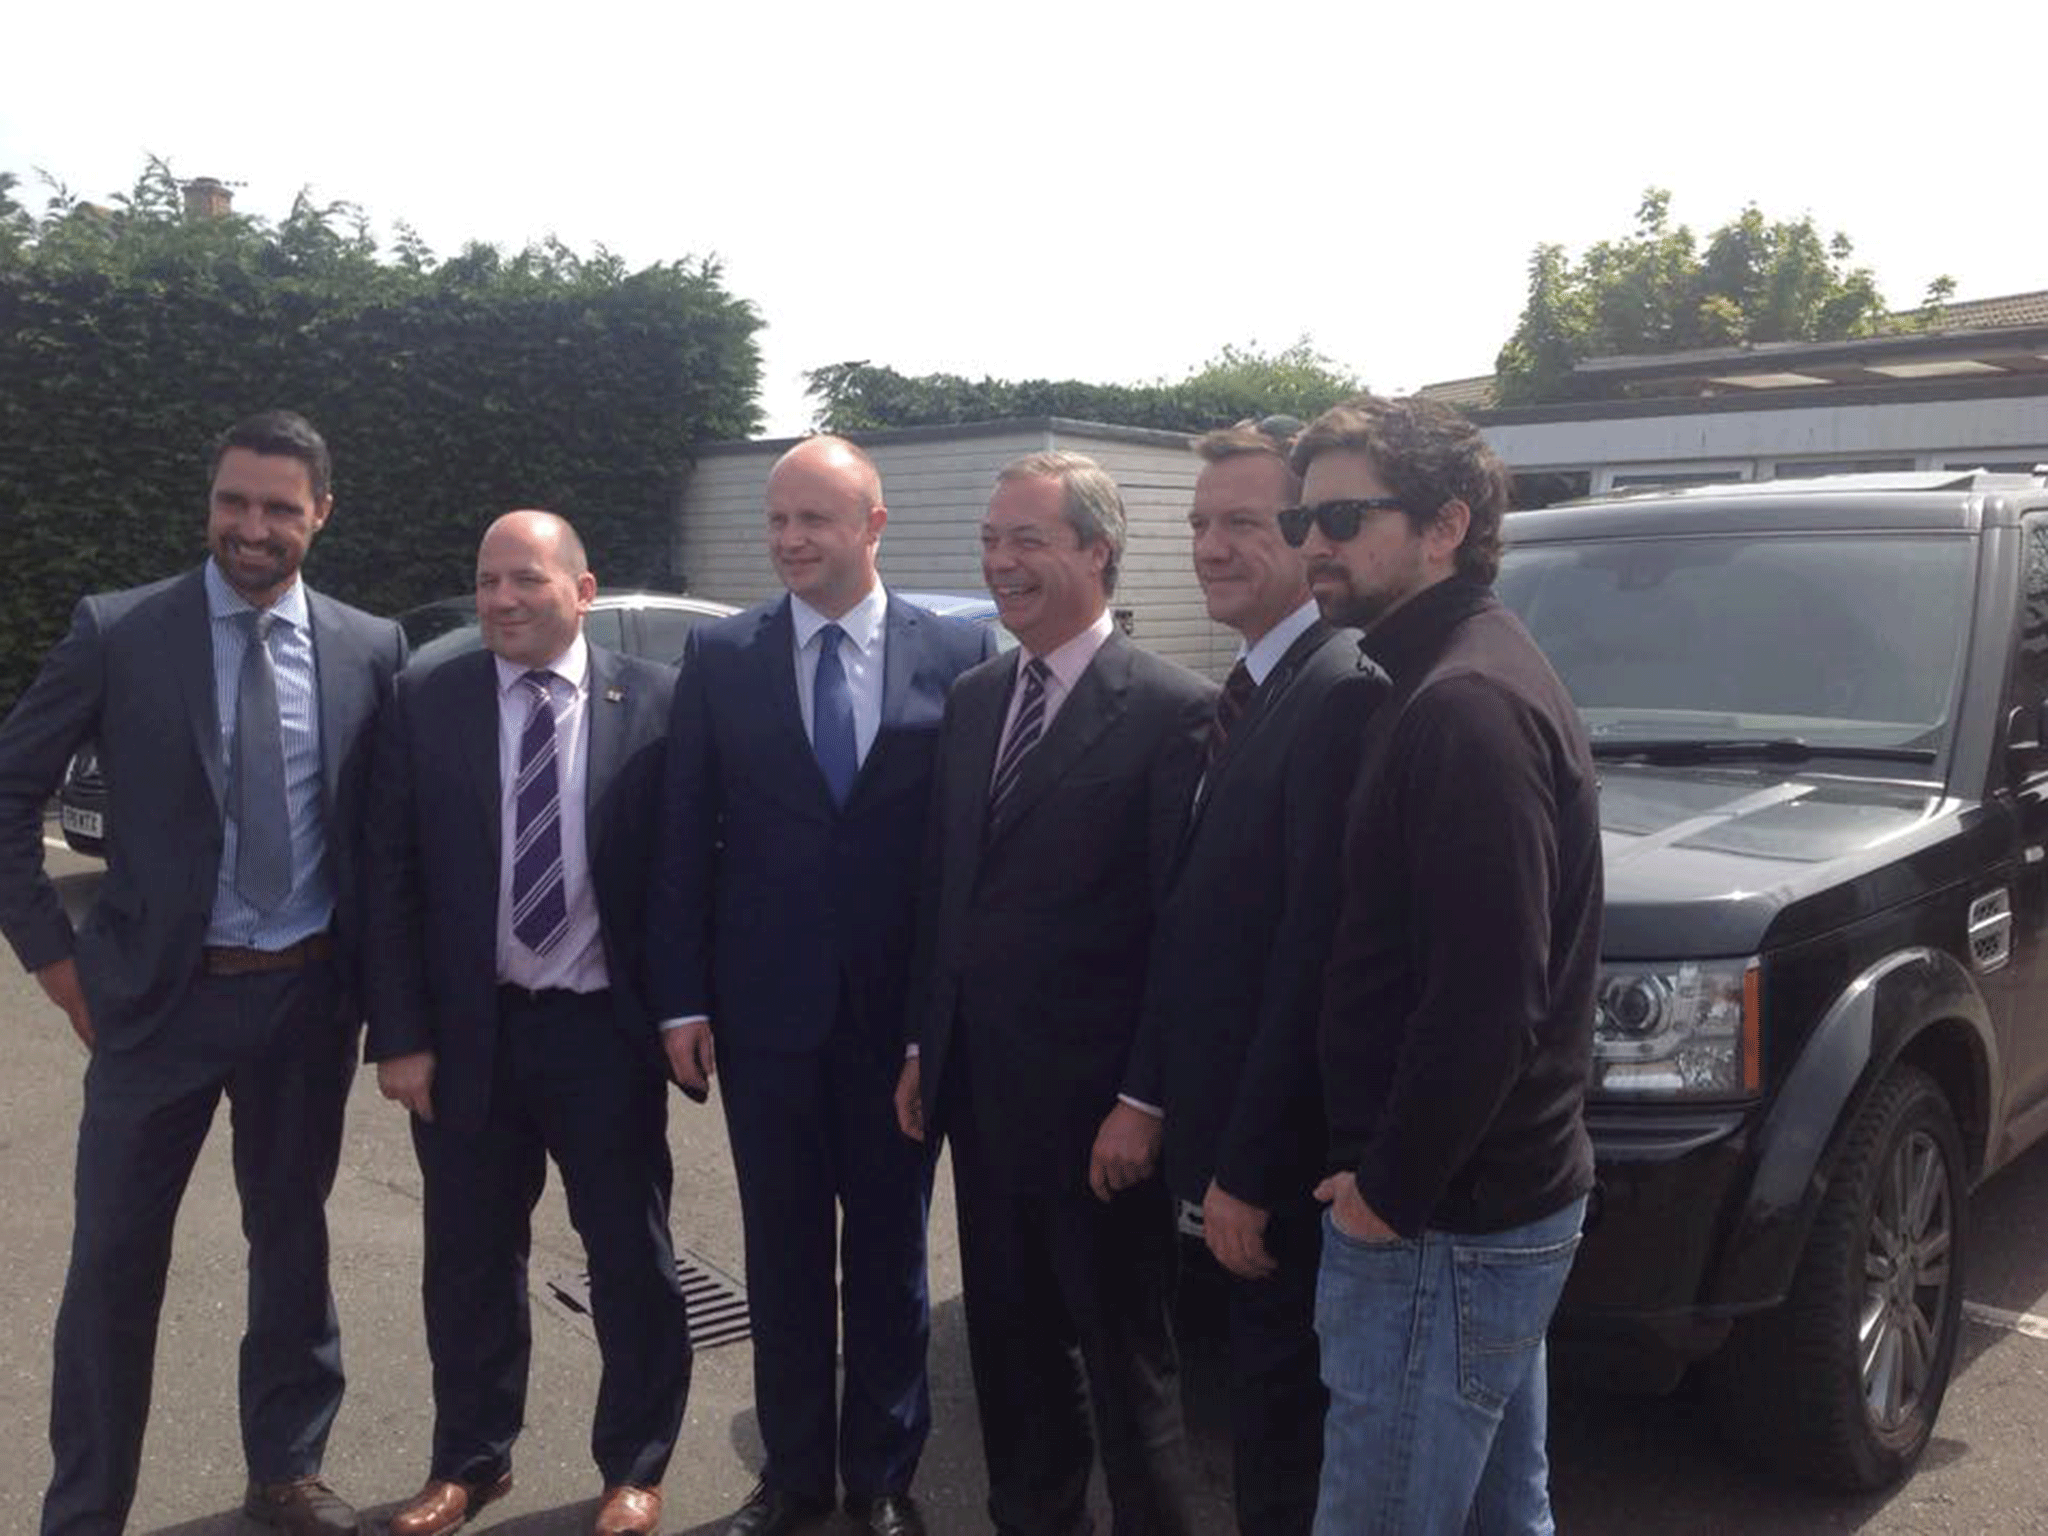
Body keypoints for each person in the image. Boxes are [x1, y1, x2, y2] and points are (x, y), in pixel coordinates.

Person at [0, 411, 407, 1535]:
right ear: (209, 503)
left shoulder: (371, 647)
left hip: (306, 1001)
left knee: (292, 1241)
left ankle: (286, 1469)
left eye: (281, 507)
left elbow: (389, 835)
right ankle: (85, 1508)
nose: (253, 527)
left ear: (320, 513)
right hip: (154, 1007)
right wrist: (57, 965)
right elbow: (8, 791)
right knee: (111, 1265)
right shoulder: (120, 631)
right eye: (236, 501)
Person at [648, 436, 994, 1536]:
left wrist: (936, 1024)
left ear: (873, 525)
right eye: (777, 521)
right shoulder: (724, 656)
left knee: (891, 1259)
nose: (790, 541)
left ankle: (883, 1479)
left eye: (815, 520)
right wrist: (682, 999)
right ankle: (793, 1478)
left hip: (897, 1030)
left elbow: (963, 856)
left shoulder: (959, 652)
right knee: (783, 1256)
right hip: (768, 1021)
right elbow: (680, 838)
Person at [1287, 395, 1603, 1535]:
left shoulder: (1463, 704)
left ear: (1443, 523)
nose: (1310, 541)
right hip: (1473, 1219)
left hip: (1442, 1229)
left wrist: (1385, 1195)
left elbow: (1485, 1000)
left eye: (1339, 514)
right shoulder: (1445, 675)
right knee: (1497, 1518)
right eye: (1300, 519)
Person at [897, 450, 1214, 1536]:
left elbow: (1183, 936)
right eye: (991, 540)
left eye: (1026, 540)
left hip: (1100, 1124)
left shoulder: (1173, 711)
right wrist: (920, 1050)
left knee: (1128, 1372)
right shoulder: (979, 699)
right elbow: (950, 895)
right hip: (982, 1110)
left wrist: (1145, 1099)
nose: (1000, 562)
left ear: (1096, 551)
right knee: (1011, 1356)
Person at [362, 511, 691, 1536]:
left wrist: (684, 1011)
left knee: (628, 1257)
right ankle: (469, 1460)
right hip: (468, 1036)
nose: (500, 600)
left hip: (602, 1035)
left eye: (525, 581)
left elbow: (684, 879)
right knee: (466, 1257)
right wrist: (402, 1034)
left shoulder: (660, 706)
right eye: (486, 580)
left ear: (582, 589)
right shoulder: (427, 700)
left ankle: (634, 1466)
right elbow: (388, 880)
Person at [1113, 420, 1386, 1534]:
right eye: (1195, 524)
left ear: (1307, 534)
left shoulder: (1336, 692)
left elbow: (1308, 958)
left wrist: (1246, 1169)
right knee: (1262, 1417)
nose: (1209, 546)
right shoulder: (1247, 689)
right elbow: (1197, 930)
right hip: (1218, 1141)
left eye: (1241, 522)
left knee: (1286, 1431)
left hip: (1273, 1170)